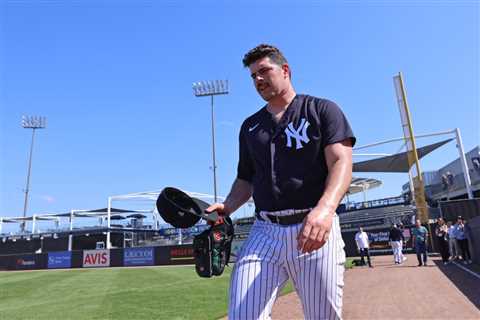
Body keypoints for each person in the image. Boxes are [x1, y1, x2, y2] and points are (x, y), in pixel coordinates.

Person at [206, 44, 356, 319]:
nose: (258, 80)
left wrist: (325, 209)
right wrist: (227, 207)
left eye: (264, 71)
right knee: (243, 315)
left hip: (313, 228)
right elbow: (246, 179)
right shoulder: (250, 126)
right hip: (265, 231)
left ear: (285, 70)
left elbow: (341, 162)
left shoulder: (321, 109)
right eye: (253, 76)